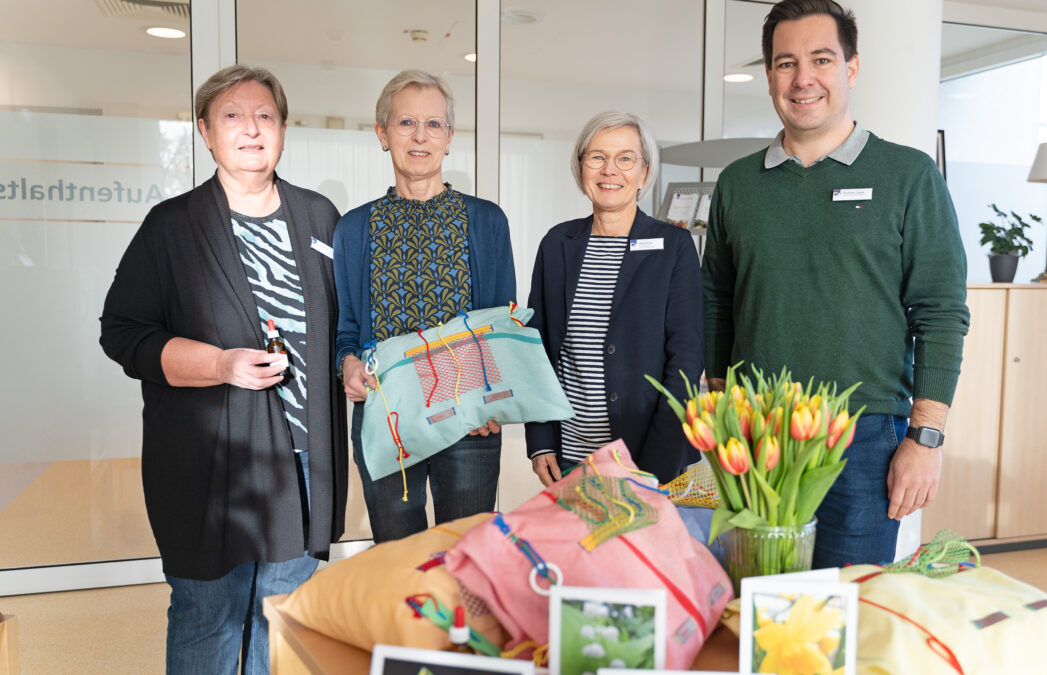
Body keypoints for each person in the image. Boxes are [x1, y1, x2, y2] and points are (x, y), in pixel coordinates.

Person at [701, 0, 969, 569]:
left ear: (850, 68)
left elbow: (941, 311)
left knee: (848, 609)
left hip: (866, 435)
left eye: (821, 59)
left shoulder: (909, 175)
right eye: (785, 63)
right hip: (759, 432)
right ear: (769, 74)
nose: (803, 79)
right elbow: (716, 301)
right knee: (758, 606)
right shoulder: (736, 184)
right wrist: (722, 411)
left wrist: (925, 440)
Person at [99, 65, 347, 673]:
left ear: (283, 130)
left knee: (284, 614)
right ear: (206, 133)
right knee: (208, 613)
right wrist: (218, 363)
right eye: (232, 116)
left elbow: (345, 326)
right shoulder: (172, 226)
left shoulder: (320, 218)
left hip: (302, 462)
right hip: (208, 463)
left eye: (265, 115)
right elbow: (123, 333)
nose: (251, 129)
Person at [334, 70, 515, 543]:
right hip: (387, 416)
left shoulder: (486, 221)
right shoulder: (355, 228)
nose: (420, 137)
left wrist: (493, 398)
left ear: (450, 138)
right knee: (399, 563)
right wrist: (347, 363)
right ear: (382, 133)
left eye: (434, 125)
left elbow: (502, 324)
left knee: (468, 559)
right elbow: (347, 330)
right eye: (406, 123)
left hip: (470, 421)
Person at [526, 111, 704, 486]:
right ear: (581, 167)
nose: (610, 170)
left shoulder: (673, 246)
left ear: (644, 172)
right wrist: (541, 441)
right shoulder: (558, 243)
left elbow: (686, 358)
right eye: (597, 157)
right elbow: (537, 349)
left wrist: (654, 466)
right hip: (571, 457)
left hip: (650, 457)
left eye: (625, 158)